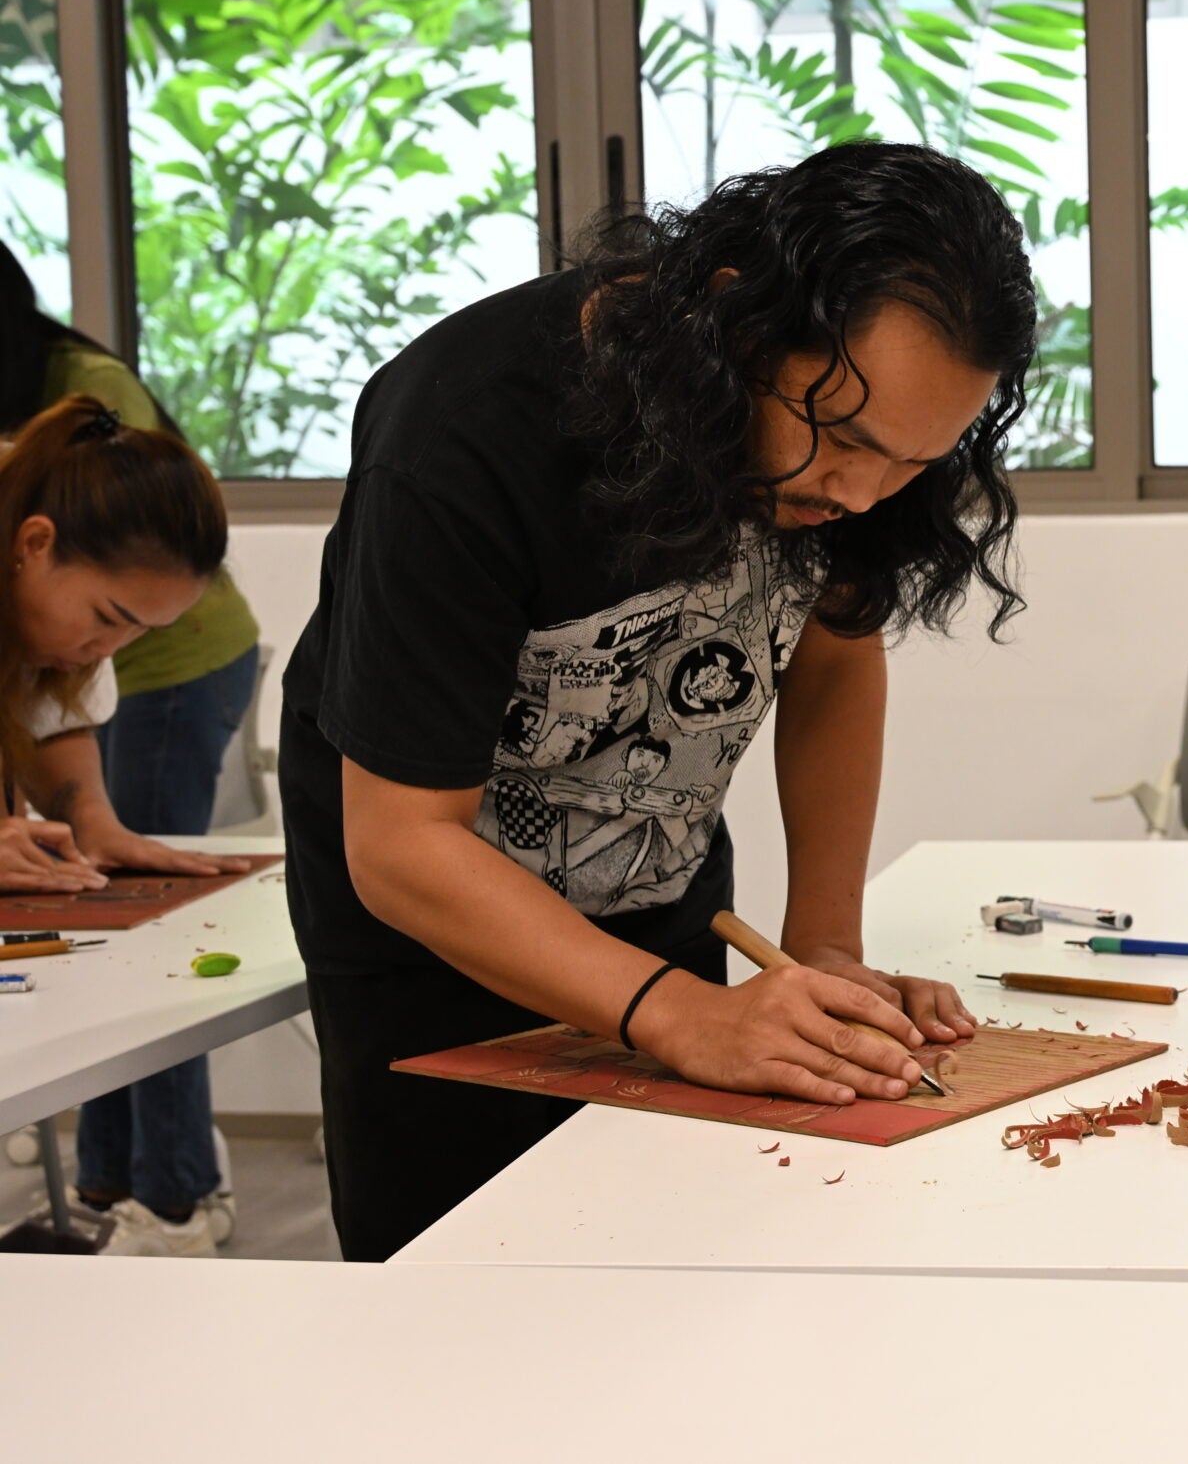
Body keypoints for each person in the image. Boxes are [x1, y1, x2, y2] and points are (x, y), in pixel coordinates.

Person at [280, 141, 1036, 1260]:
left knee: (676, 1268)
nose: (862, 493)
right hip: (438, 950)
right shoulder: (465, 432)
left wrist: (823, 947)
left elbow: (833, 653)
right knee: (461, 1296)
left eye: (912, 465)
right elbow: (400, 846)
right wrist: (683, 1016)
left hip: (659, 904)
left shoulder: (858, 458)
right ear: (733, 320)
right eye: (843, 441)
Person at [1, 244, 262, 1257]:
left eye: (136, 636)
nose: (104, 652)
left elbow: (59, 728)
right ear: (33, 544)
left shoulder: (57, 625)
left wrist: (101, 826)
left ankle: (120, 1193)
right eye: (107, 618)